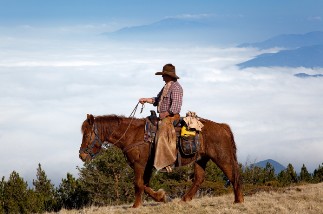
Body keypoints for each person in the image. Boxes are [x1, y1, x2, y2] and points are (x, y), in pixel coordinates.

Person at [139, 63, 183, 172]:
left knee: (162, 133)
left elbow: (176, 107)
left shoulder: (176, 87)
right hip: (164, 116)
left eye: (164, 75)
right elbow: (157, 99)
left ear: (169, 75)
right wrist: (146, 99)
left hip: (172, 117)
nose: (162, 77)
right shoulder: (166, 86)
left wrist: (165, 113)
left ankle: (166, 163)